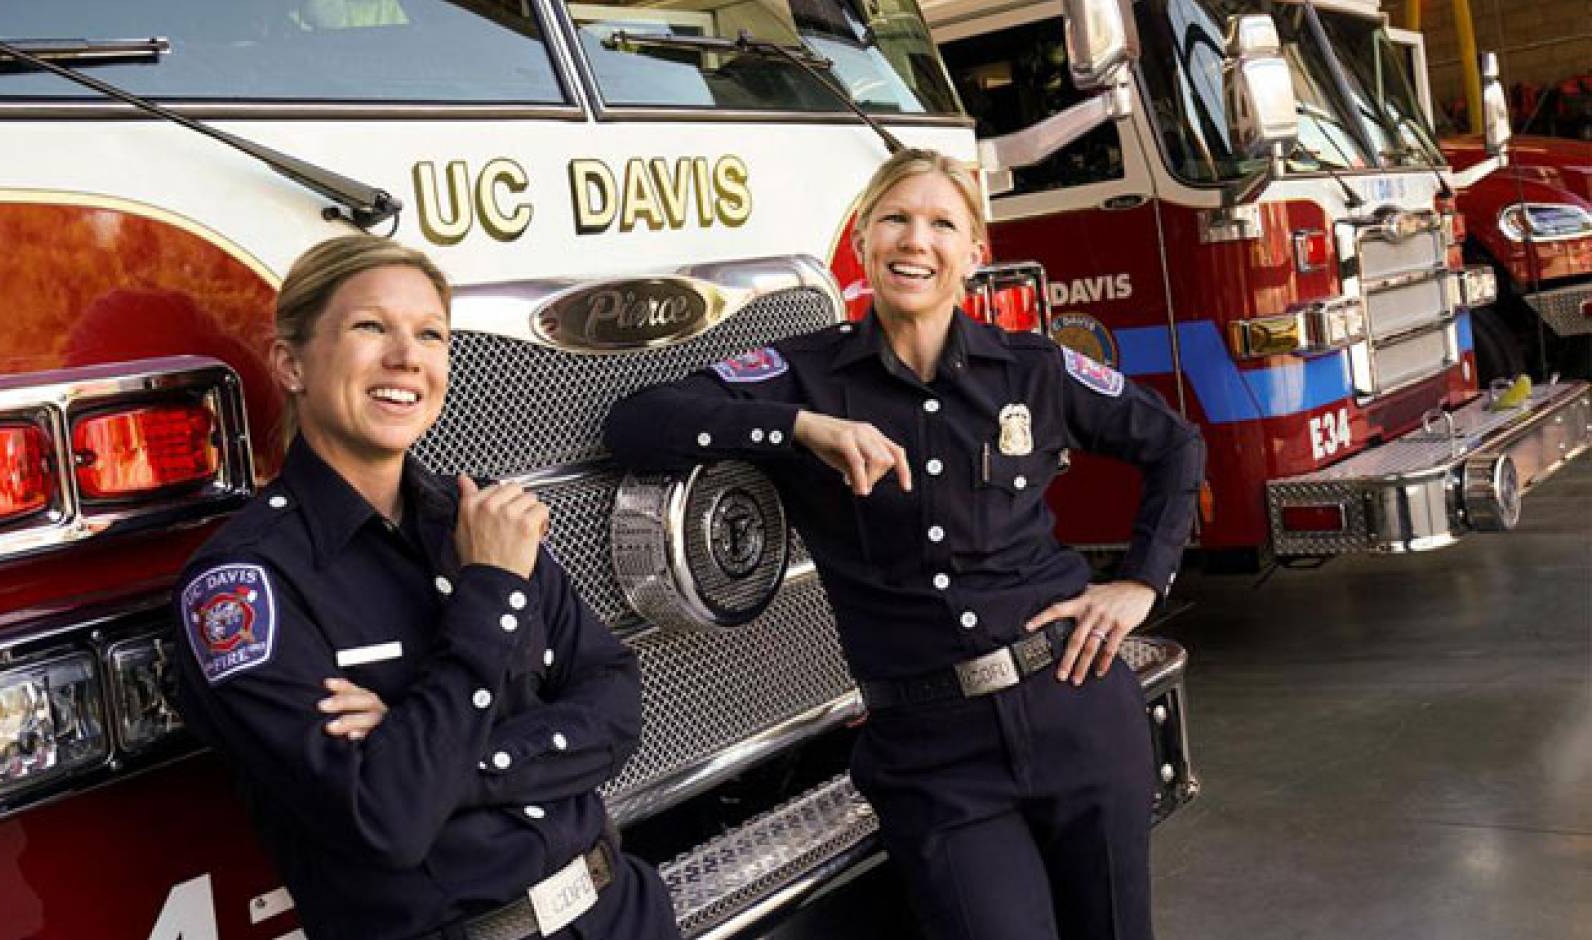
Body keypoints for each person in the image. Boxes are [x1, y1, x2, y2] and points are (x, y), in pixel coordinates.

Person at [604, 149, 1203, 940]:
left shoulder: (1032, 369)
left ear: (972, 255)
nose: (915, 240)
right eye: (894, 219)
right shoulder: (804, 376)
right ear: (863, 241)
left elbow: (1175, 445)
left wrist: (1141, 584)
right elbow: (637, 421)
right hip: (932, 757)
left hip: (1077, 711)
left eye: (941, 224)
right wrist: (798, 427)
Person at [168, 235, 679, 940]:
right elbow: (387, 818)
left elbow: (617, 705)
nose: (407, 357)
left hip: (622, 911)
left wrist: (441, 762)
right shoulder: (245, 588)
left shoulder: (478, 514)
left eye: (430, 334)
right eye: (371, 327)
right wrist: (492, 590)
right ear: (291, 363)